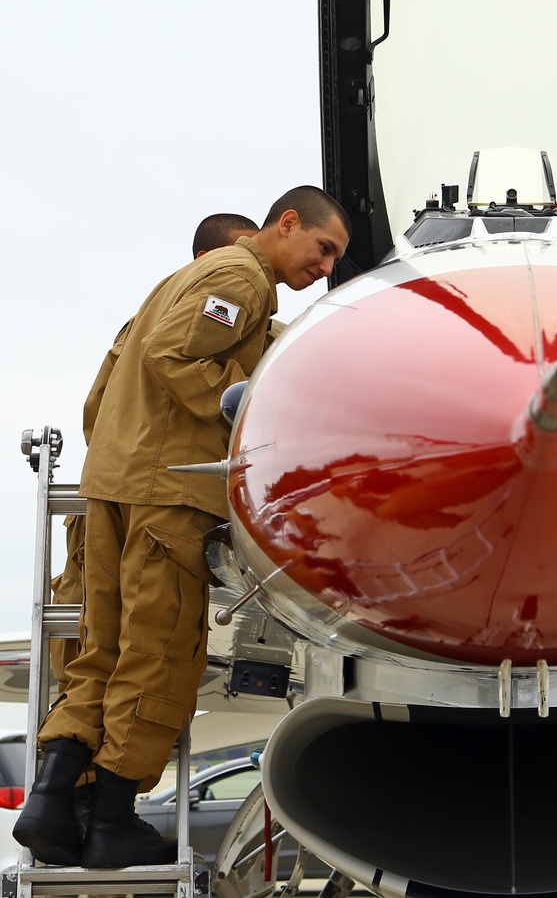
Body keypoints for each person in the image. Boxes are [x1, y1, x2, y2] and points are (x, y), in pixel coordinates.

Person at [15, 186, 350, 870]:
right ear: (286, 224)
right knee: (160, 651)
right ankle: (109, 818)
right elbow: (181, 358)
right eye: (323, 249)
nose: (326, 268)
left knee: (99, 655)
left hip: (118, 483)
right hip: (167, 494)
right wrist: (260, 406)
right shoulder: (238, 275)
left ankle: (53, 802)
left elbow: (116, 384)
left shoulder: (188, 280)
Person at [50, 213, 258, 692]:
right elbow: (101, 415)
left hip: (119, 492)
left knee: (110, 660)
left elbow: (97, 413)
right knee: (129, 655)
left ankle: (76, 758)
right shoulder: (201, 311)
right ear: (209, 263)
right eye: (243, 251)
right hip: (154, 499)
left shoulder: (149, 323)